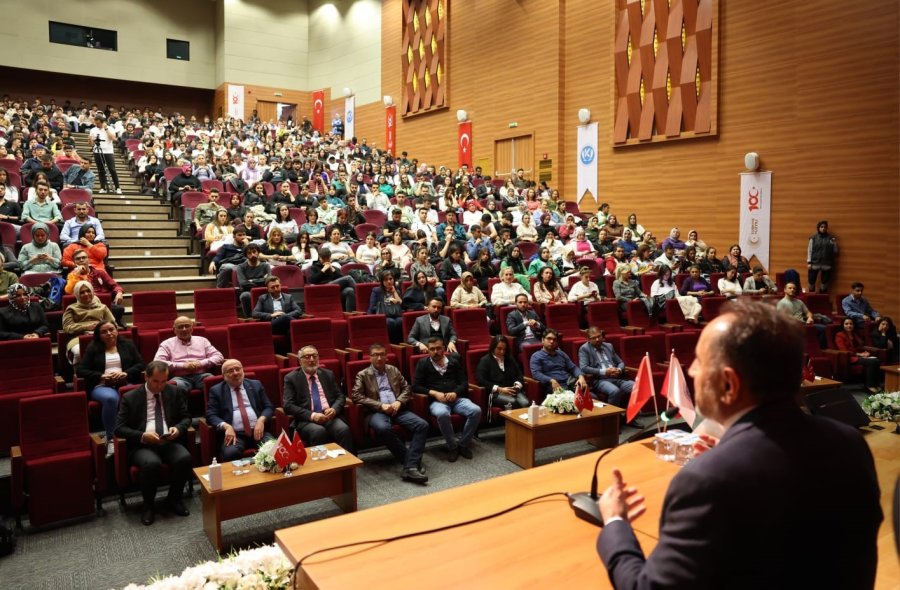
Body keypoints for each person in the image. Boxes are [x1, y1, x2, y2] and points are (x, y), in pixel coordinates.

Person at [596, 300, 882, 589]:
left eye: (699, 361)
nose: (692, 371)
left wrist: (615, 525)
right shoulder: (850, 444)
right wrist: (725, 460)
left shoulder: (706, 480)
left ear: (729, 385)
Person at [114, 361, 192, 526]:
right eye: (156, 381)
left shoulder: (174, 391)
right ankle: (148, 505)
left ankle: (174, 499)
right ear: (146, 377)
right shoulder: (130, 397)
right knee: (152, 463)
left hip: (167, 440)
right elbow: (119, 428)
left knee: (184, 458)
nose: (160, 386)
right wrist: (143, 435)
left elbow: (186, 417)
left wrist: (178, 429)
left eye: (164, 381)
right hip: (142, 445)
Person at [351, 344, 429, 483]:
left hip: (398, 408)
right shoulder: (363, 374)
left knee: (422, 425)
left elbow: (407, 388)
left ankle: (410, 467)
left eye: (382, 354)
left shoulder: (393, 370)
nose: (379, 357)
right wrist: (381, 405)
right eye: (375, 354)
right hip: (377, 411)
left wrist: (399, 401)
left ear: (386, 356)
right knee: (383, 428)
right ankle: (412, 463)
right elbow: (356, 396)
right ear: (370, 357)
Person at [76, 321, 144, 456]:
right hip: (102, 385)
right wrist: (102, 376)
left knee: (137, 394)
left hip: (124, 382)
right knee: (111, 398)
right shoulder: (93, 348)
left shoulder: (127, 345)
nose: (109, 333)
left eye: (111, 329)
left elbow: (141, 364)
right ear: (98, 335)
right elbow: (81, 370)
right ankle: (111, 438)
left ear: (117, 330)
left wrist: (126, 373)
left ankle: (138, 433)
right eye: (104, 332)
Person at [412, 337, 481, 462]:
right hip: (437, 401)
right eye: (432, 349)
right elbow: (416, 386)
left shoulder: (453, 361)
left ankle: (463, 444)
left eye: (438, 348)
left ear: (444, 349)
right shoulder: (423, 363)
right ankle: (452, 447)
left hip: (456, 399)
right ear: (428, 350)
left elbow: (464, 382)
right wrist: (434, 393)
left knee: (476, 410)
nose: (435, 351)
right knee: (442, 413)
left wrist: (455, 392)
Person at [282, 345, 354, 452]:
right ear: (300, 361)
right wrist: (313, 415)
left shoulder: (327, 374)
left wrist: (334, 409)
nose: (312, 360)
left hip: (328, 416)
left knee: (343, 429)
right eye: (307, 357)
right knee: (319, 432)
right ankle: (321, 466)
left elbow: (340, 396)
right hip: (306, 420)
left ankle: (348, 466)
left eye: (314, 356)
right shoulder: (291, 378)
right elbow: (288, 406)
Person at [205, 359, 275, 461]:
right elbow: (211, 415)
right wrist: (226, 426)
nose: (235, 373)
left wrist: (261, 420)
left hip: (258, 430)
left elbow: (268, 407)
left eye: (237, 369)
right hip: (235, 435)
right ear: (224, 375)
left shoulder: (255, 385)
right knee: (230, 454)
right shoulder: (216, 391)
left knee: (275, 449)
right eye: (230, 371)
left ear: (243, 370)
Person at [154, 316, 224, 396]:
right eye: (180, 327)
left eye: (187, 326)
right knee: (176, 388)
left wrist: (200, 363)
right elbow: (157, 362)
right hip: (180, 378)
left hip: (202, 375)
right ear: (174, 329)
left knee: (214, 384)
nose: (184, 329)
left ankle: (214, 408)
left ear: (192, 328)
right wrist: (183, 366)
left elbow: (219, 356)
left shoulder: (202, 340)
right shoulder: (166, 344)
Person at [64, 249, 126, 326]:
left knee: (118, 308)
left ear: (88, 259)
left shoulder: (99, 272)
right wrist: (77, 274)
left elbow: (115, 285)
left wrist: (119, 292)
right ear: (74, 262)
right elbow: (69, 291)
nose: (81, 260)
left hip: (103, 302)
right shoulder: (72, 275)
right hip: (87, 305)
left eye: (84, 257)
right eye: (78, 259)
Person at [63, 280, 116, 364]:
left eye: (88, 291)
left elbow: (113, 324)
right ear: (77, 294)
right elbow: (67, 327)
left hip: (101, 337)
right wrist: (86, 327)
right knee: (78, 352)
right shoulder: (71, 309)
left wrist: (100, 328)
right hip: (78, 338)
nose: (86, 294)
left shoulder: (102, 307)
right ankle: (79, 375)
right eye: (82, 292)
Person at [578, 327, 633, 407]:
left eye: (598, 336)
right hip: (600, 380)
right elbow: (584, 367)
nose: (597, 339)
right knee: (614, 391)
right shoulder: (584, 349)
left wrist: (619, 370)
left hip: (617, 377)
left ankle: (630, 416)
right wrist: (604, 371)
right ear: (588, 339)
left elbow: (620, 362)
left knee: (637, 387)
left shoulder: (608, 346)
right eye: (594, 338)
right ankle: (612, 417)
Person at [476, 335, 529, 410]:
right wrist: (500, 389)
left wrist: (517, 386)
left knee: (525, 403)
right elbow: (481, 381)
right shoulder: (485, 361)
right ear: (493, 347)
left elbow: (519, 374)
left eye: (504, 349)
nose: (502, 352)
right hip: (495, 393)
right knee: (512, 402)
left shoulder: (509, 359)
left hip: (512, 390)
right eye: (499, 349)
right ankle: (513, 421)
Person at [530, 329, 589, 395]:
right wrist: (551, 380)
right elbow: (536, 374)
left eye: (554, 339)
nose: (552, 341)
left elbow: (573, 368)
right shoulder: (536, 356)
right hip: (555, 386)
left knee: (591, 397)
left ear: (557, 342)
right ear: (543, 340)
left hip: (569, 383)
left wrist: (581, 376)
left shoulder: (561, 353)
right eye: (549, 339)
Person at [835, 317, 882, 393]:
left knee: (877, 360)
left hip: (857, 356)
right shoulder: (839, 335)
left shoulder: (854, 334)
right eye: (846, 324)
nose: (849, 325)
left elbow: (859, 346)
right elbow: (843, 350)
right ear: (843, 325)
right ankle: (869, 386)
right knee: (873, 362)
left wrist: (865, 352)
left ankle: (875, 384)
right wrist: (859, 354)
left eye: (851, 324)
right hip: (848, 358)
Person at [88, 114, 122, 194]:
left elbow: (113, 138)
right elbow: (91, 144)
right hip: (97, 151)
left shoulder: (110, 128)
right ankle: (103, 187)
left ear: (103, 122)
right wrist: (90, 140)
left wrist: (106, 128)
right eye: (95, 123)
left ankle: (117, 187)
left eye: (98, 123)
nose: (97, 125)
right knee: (100, 170)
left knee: (112, 169)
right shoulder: (93, 130)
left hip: (108, 151)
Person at [369, 271, 405, 343]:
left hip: (395, 315)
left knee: (400, 321)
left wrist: (394, 292)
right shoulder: (376, 291)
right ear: (382, 281)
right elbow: (372, 307)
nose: (389, 281)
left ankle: (400, 344)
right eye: (386, 279)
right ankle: (391, 343)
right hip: (382, 315)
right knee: (390, 322)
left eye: (390, 279)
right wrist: (387, 304)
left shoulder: (396, 290)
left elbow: (402, 305)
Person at [807, 220, 838, 293]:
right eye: (821, 227)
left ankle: (821, 299)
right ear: (818, 228)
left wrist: (834, 243)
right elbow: (809, 250)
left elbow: (835, 251)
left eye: (825, 227)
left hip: (826, 264)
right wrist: (809, 262)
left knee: (824, 284)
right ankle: (811, 298)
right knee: (811, 282)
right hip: (814, 263)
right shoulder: (813, 238)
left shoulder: (831, 238)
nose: (823, 228)